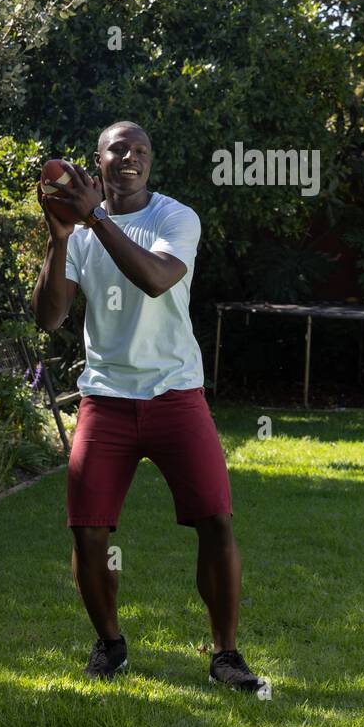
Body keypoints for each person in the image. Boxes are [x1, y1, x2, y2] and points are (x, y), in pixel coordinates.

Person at [31, 120, 264, 692]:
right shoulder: (82, 232)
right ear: (98, 160)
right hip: (106, 400)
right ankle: (110, 645)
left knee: (216, 520)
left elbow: (156, 279)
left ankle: (226, 655)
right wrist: (61, 237)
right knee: (87, 532)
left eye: (141, 150)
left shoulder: (174, 218)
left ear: (151, 163)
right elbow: (48, 317)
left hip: (175, 395)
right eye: (119, 149)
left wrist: (96, 219)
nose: (131, 157)